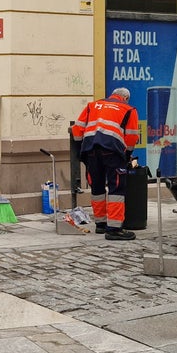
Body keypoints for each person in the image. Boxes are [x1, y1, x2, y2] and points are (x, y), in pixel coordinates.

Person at [71, 88, 140, 241]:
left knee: (97, 188)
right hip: (112, 152)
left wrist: (79, 150)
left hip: (91, 150)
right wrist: (127, 155)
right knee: (116, 189)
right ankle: (114, 229)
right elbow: (131, 137)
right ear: (126, 98)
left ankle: (100, 224)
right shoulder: (129, 109)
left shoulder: (93, 105)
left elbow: (77, 129)